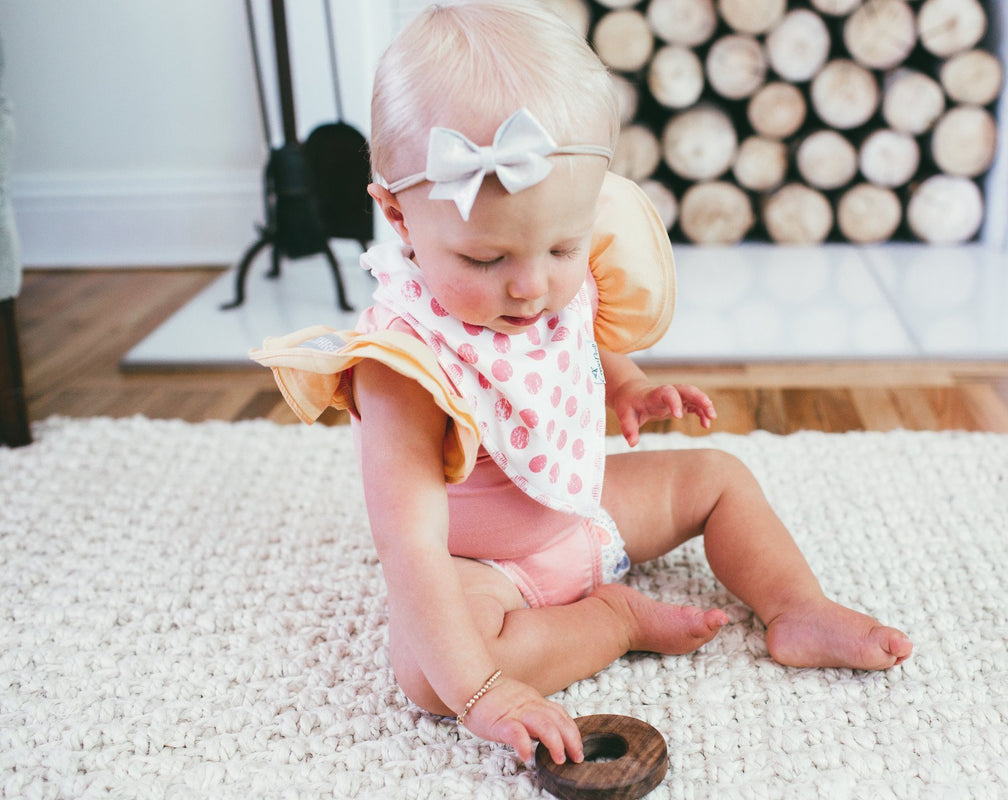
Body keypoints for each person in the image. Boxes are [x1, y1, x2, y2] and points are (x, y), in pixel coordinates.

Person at [252, 0, 911, 769]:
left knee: (720, 476)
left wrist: (626, 386)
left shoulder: (555, 262)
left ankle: (797, 609)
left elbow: (578, 340)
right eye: (485, 261)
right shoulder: (401, 365)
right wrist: (483, 690)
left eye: (562, 247)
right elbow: (411, 545)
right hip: (486, 569)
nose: (531, 287)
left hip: (588, 512)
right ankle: (614, 623)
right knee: (428, 678)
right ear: (398, 214)